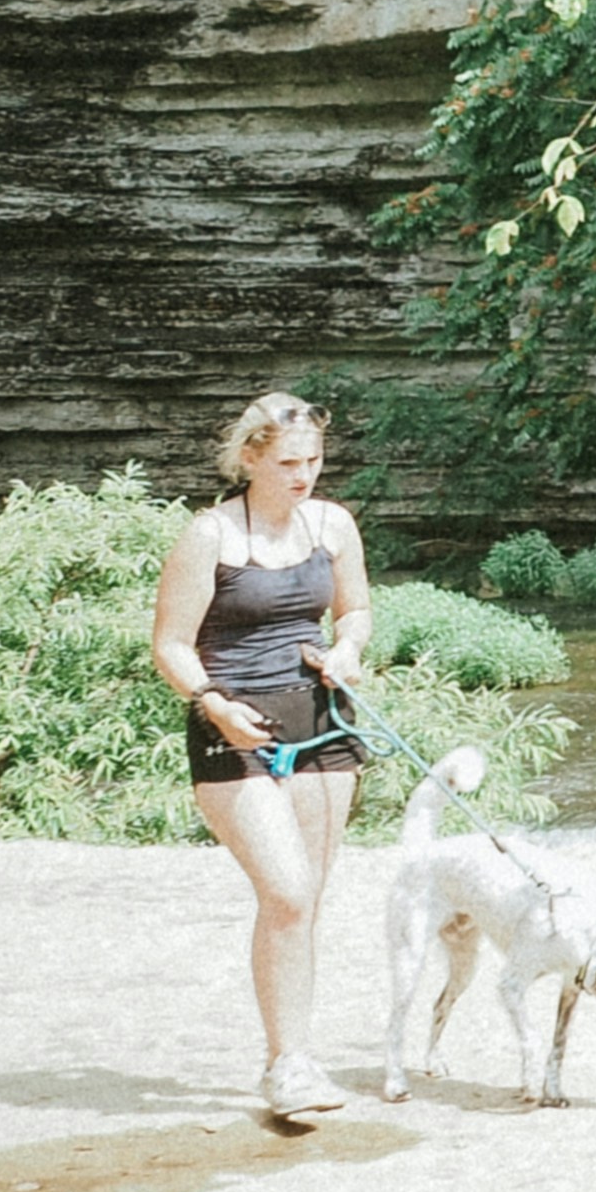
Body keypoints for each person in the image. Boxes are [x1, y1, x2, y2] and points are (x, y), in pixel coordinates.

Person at [148, 392, 380, 1122]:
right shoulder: (208, 534)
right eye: (287, 462)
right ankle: (286, 1064)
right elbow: (170, 644)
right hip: (233, 723)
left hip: (319, 719)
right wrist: (213, 701)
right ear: (248, 456)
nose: (303, 474)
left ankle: (295, 1058)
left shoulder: (333, 524)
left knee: (306, 900)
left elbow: (357, 611)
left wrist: (347, 650)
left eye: (313, 460)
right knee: (284, 890)